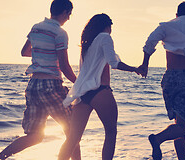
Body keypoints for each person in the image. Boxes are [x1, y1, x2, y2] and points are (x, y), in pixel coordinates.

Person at [0, 0, 81, 160]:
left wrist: (42, 51)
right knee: (73, 132)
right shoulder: (60, 33)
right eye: (69, 15)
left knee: (35, 136)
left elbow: (24, 52)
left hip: (33, 86)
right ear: (65, 12)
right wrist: (80, 83)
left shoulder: (36, 28)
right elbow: (65, 66)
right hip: (50, 85)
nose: (68, 18)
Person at [138, 1, 185, 160]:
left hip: (170, 78)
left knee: (178, 122)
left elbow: (149, 43)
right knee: (182, 127)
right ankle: (157, 139)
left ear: (176, 15)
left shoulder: (166, 27)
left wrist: (145, 64)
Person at [58, 13, 142, 160]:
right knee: (110, 132)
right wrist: (135, 69)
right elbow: (114, 63)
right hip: (100, 91)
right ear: (107, 26)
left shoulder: (88, 43)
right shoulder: (105, 37)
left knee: (73, 139)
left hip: (83, 94)